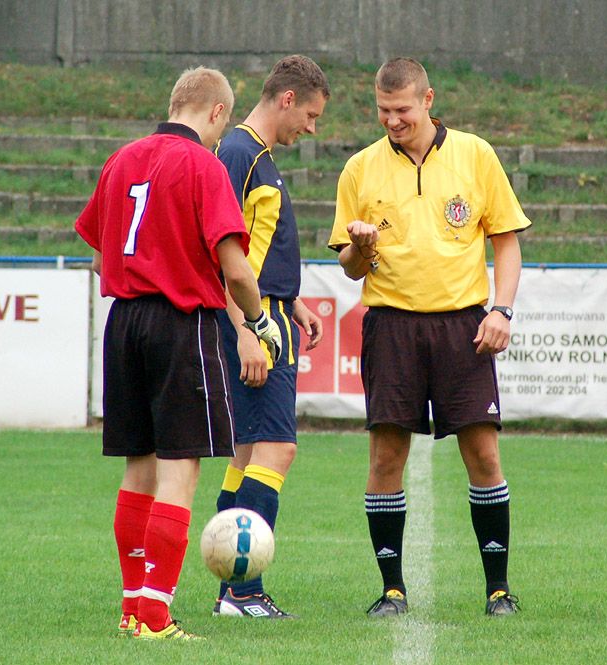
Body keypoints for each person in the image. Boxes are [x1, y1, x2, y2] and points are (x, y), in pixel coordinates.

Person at [75, 66, 283, 641]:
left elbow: (98, 260)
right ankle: (157, 615)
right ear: (218, 112)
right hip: (180, 322)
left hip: (123, 322)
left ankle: (131, 608)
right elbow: (235, 268)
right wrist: (259, 321)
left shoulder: (121, 159)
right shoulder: (203, 165)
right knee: (179, 470)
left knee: (137, 469)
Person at [327, 57, 531, 617]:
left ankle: (498, 590)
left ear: (429, 100)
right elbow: (349, 266)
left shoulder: (475, 154)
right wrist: (361, 248)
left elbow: (507, 243)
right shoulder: (359, 169)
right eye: (383, 110)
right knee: (386, 456)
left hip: (464, 325)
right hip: (390, 324)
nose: (393, 120)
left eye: (402, 109)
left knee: (484, 454)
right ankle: (392, 589)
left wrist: (503, 311)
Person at [210, 55, 329, 619]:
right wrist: (246, 332)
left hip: (273, 312)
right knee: (276, 448)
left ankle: (229, 586)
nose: (311, 127)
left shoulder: (257, 157)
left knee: (249, 450)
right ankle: (243, 591)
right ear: (287, 99)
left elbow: (254, 250)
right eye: (310, 114)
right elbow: (223, 256)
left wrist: (293, 301)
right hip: (255, 324)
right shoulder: (239, 154)